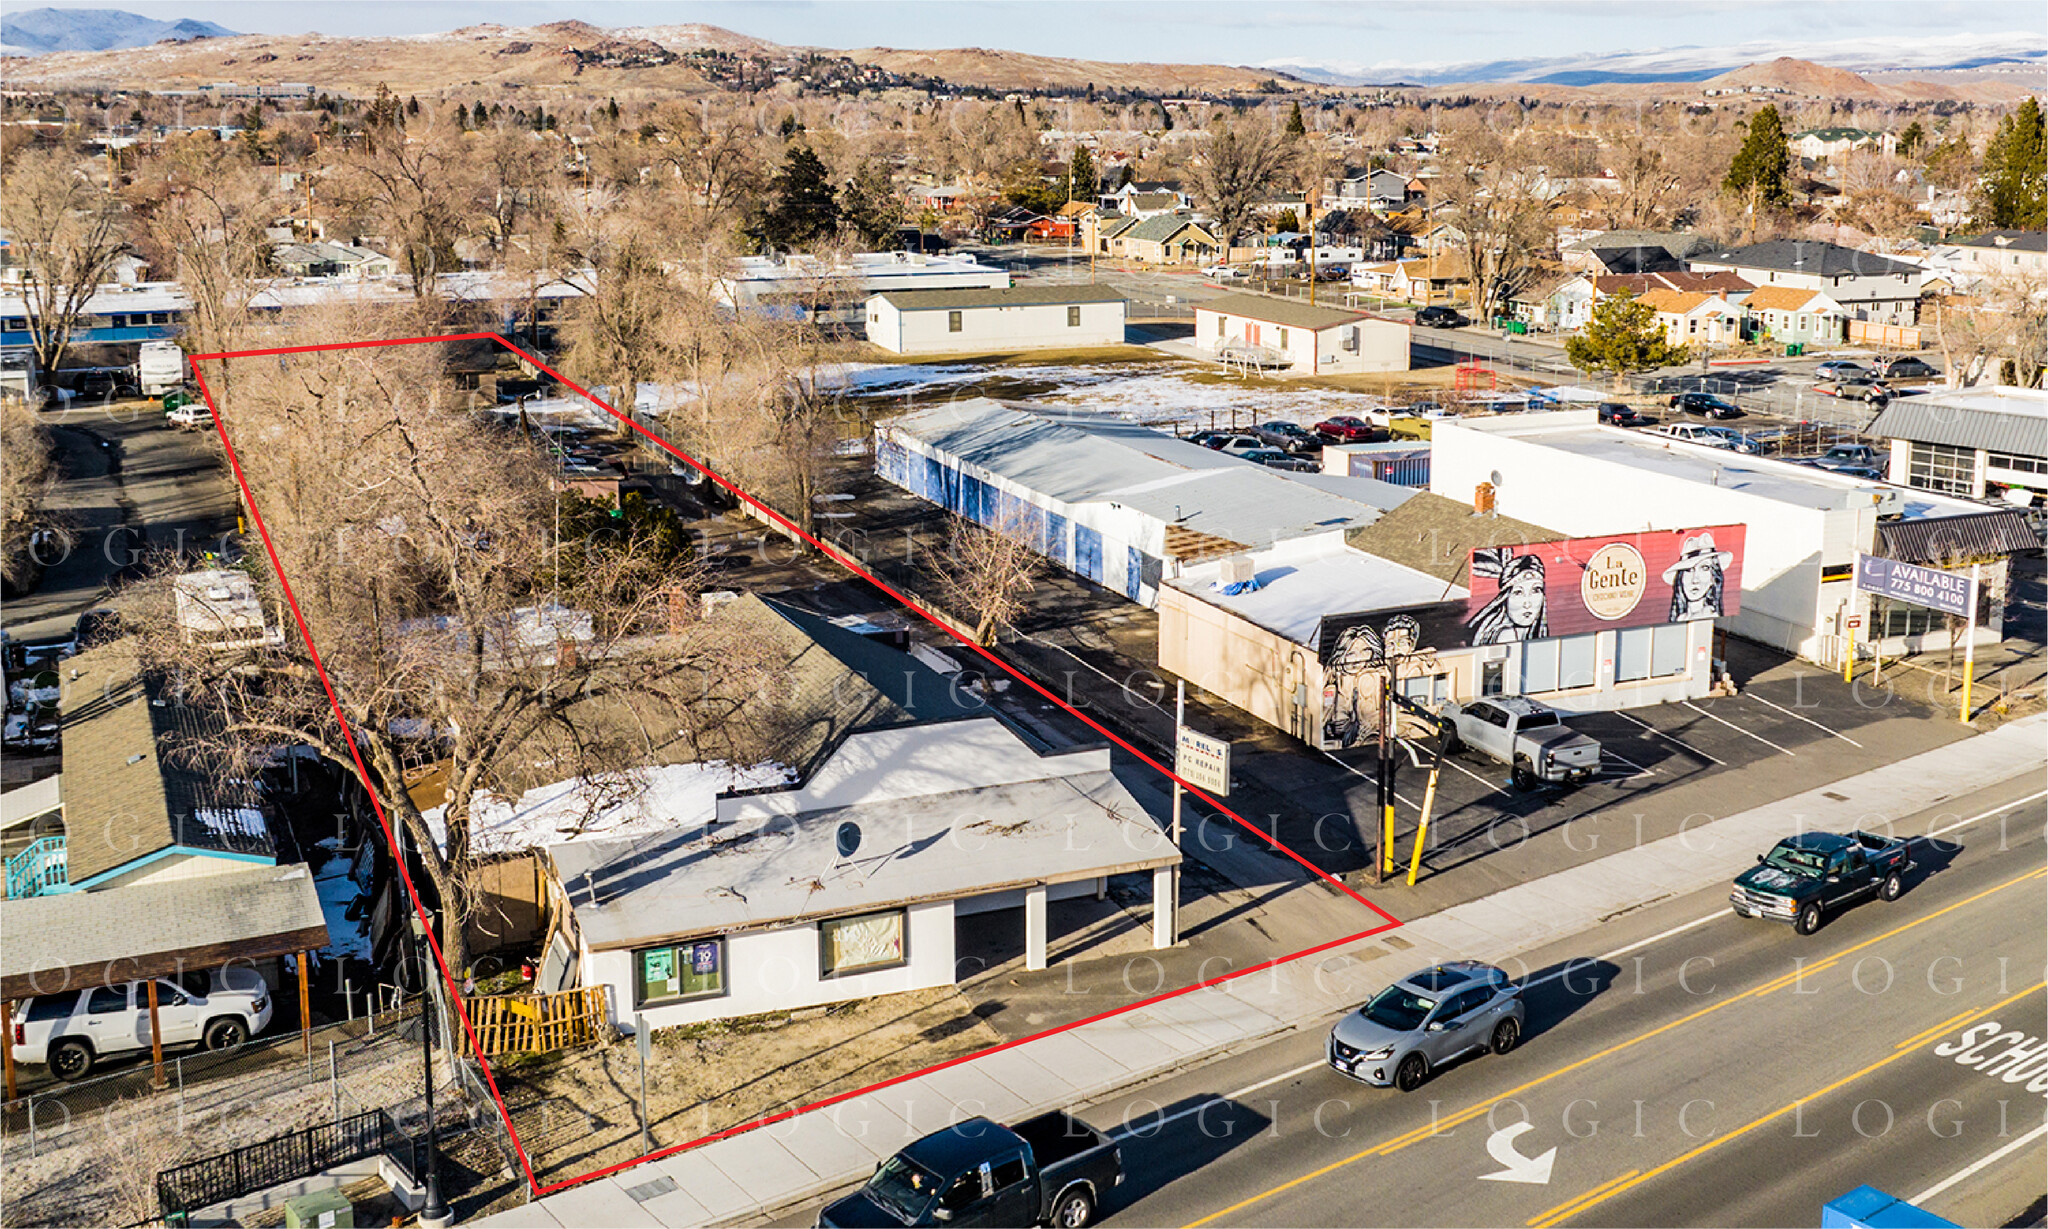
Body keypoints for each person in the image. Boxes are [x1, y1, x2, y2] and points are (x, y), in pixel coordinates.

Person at [1467, 549, 1549, 644]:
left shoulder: (1527, 634)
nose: (1527, 604)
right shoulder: (1507, 636)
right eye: (1518, 592)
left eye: (1535, 590)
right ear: (1505, 598)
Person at [1665, 532, 1734, 621]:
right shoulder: (1681, 617)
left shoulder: (1709, 615)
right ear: (1680, 578)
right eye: (1689, 570)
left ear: (1713, 578)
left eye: (1704, 568)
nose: (1695, 580)